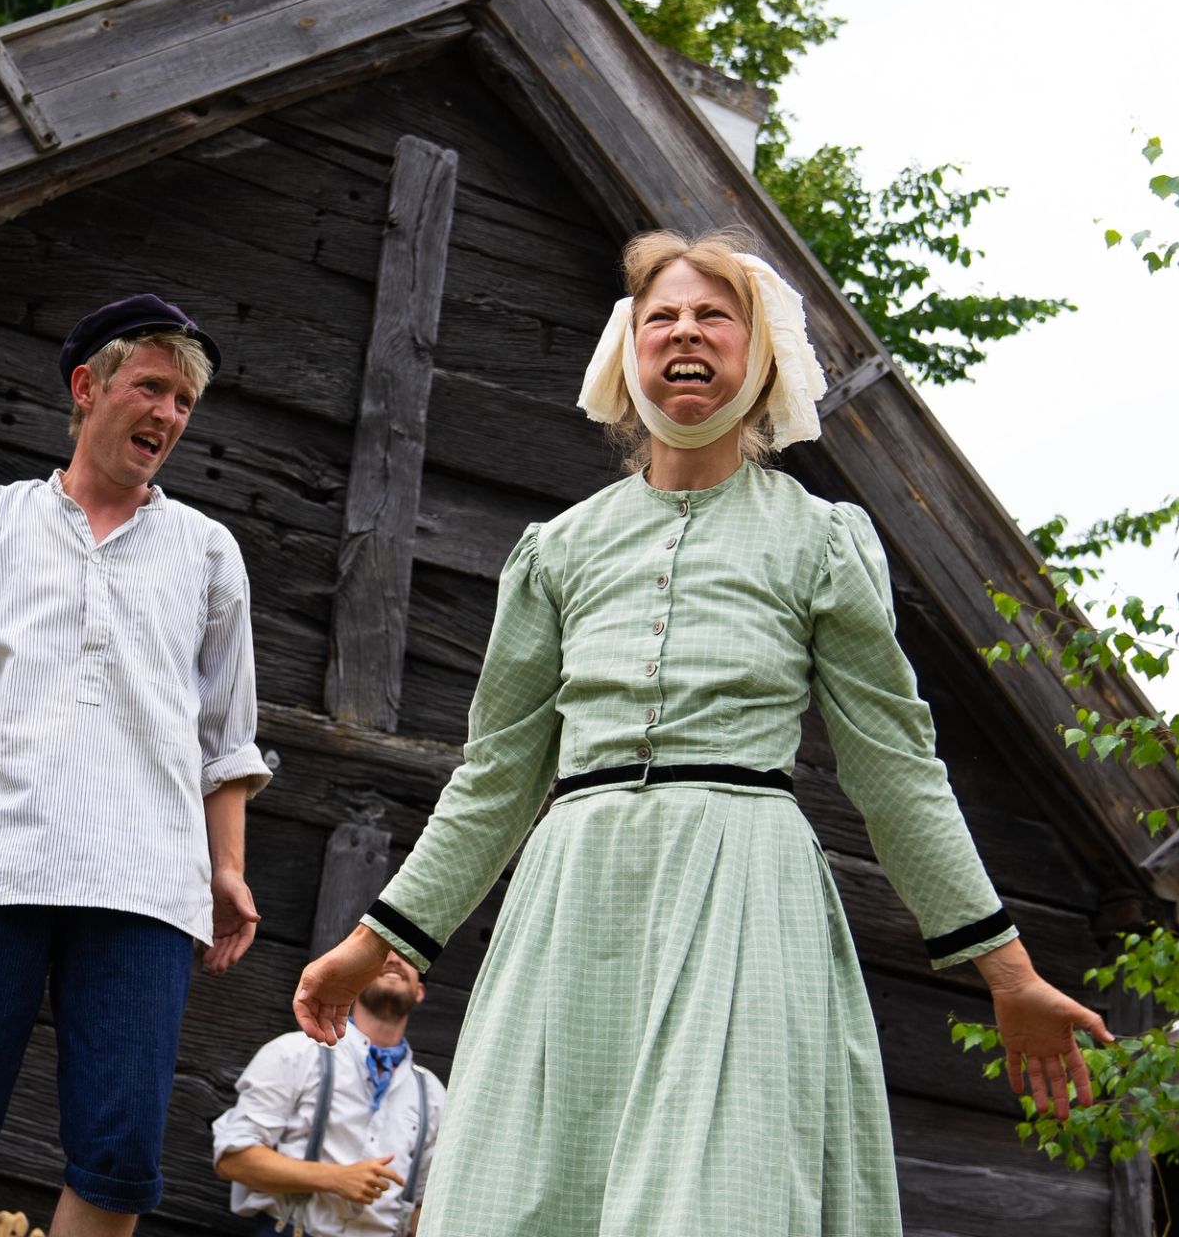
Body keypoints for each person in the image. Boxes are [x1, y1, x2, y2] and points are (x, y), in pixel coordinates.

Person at [291, 232, 1113, 1236]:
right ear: (628, 349)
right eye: (663, 317)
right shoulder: (558, 551)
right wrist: (370, 943)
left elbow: (894, 766)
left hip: (742, 897)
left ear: (759, 355)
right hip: (575, 904)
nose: (686, 332)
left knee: (718, 1198)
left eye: (714, 316)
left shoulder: (818, 539)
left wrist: (1011, 974)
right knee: (536, 1191)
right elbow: (496, 778)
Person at [0, 294, 271, 1237]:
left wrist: (227, 868)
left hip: (146, 889)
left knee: (119, 1157)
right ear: (87, 387)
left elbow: (226, 738)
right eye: (150, 387)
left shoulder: (207, 553)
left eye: (184, 402)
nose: (168, 414)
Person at [213, 951, 444, 1237]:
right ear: (357, 980)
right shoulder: (294, 1053)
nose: (395, 958)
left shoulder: (433, 1094)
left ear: (420, 991)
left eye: (409, 955)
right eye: (382, 952)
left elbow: (425, 1204)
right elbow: (233, 1159)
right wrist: (335, 1178)